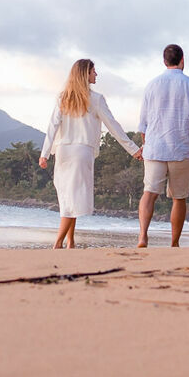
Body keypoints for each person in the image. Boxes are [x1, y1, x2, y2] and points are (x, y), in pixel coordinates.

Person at [39, 59, 142, 248]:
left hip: (62, 151)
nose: (96, 75)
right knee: (73, 198)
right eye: (94, 71)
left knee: (68, 197)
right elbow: (113, 126)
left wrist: (44, 153)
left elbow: (52, 126)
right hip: (82, 151)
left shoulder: (63, 97)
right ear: (85, 74)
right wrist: (133, 149)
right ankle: (58, 243)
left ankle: (70, 242)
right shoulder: (96, 99)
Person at [137, 44, 189, 248]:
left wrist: (146, 144)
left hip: (155, 149)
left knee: (149, 193)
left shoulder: (151, 85)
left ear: (164, 61)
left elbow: (143, 123)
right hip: (181, 150)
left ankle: (143, 236)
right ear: (182, 59)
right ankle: (174, 242)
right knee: (179, 198)